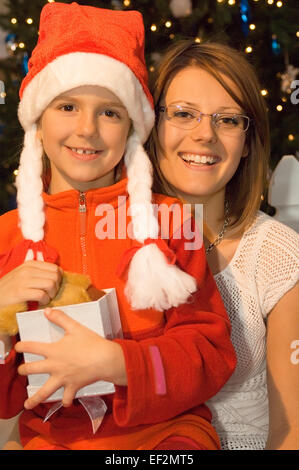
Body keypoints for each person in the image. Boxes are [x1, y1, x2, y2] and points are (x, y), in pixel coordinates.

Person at [0, 4, 236, 451]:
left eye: (109, 112)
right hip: (54, 439)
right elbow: (7, 400)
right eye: (67, 106)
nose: (87, 129)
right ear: (37, 120)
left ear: (130, 126)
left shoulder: (171, 221)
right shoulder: (6, 237)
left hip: (168, 435)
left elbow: (211, 355)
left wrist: (119, 364)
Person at [147, 39, 299, 450]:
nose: (204, 135)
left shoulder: (279, 257)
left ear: (247, 141)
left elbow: (292, 431)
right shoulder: (108, 236)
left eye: (228, 120)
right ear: (151, 125)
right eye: (182, 114)